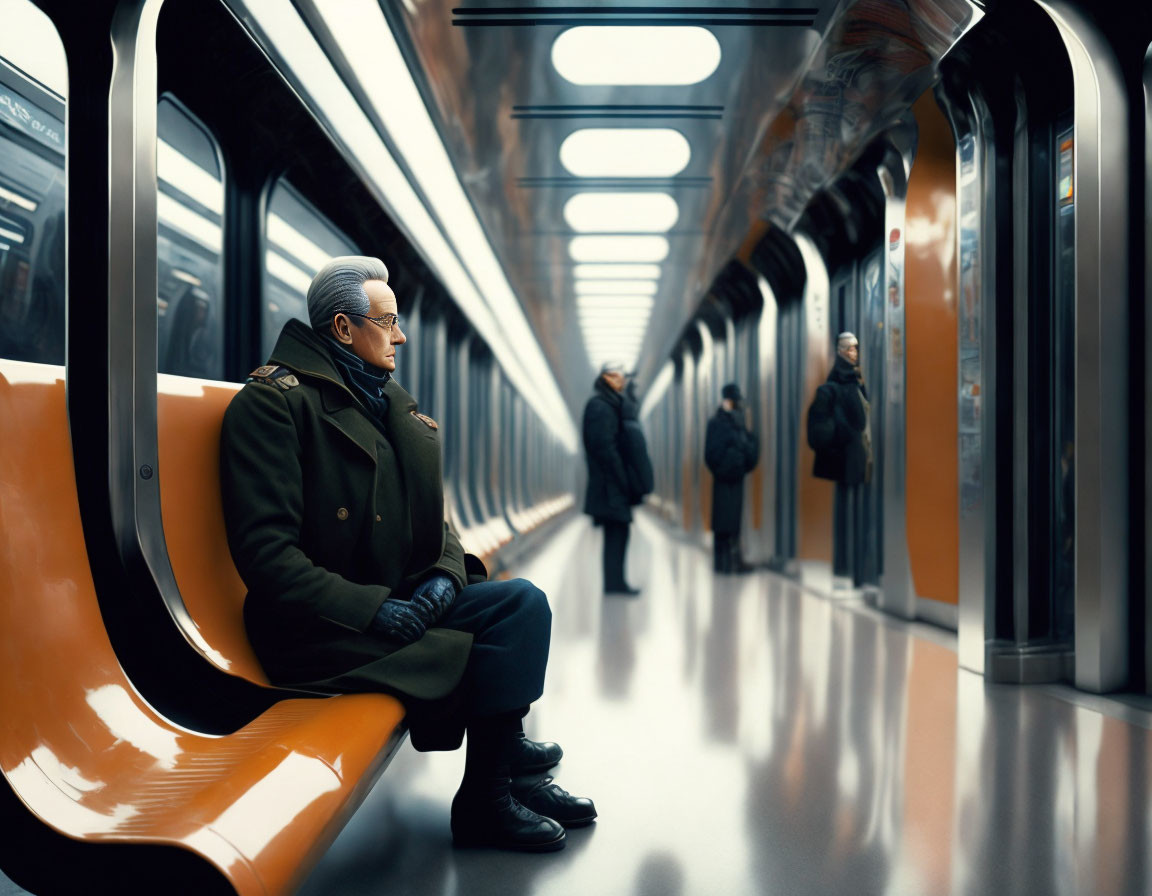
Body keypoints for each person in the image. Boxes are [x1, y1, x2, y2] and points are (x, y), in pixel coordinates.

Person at [219, 256, 594, 853]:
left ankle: (505, 771)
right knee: (468, 646)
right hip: (318, 628)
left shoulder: (387, 402)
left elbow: (436, 520)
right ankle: (487, 799)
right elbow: (267, 558)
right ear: (344, 329)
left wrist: (445, 577)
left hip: (398, 597)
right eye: (386, 320)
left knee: (521, 605)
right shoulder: (272, 407)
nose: (400, 335)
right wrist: (374, 610)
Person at [809, 331, 872, 584]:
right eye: (849, 349)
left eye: (856, 349)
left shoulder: (859, 384)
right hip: (848, 459)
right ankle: (848, 571)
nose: (853, 353)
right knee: (849, 512)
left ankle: (854, 571)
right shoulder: (834, 389)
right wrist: (844, 436)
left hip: (860, 459)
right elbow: (823, 429)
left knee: (856, 513)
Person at [582, 361, 638, 595]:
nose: (622, 380)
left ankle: (616, 582)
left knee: (619, 533)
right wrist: (624, 477)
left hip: (611, 485)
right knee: (617, 534)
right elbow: (605, 447)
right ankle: (615, 584)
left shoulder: (607, 405)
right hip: (609, 486)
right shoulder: (600, 407)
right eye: (616, 376)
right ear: (605, 378)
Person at [704, 382, 759, 573]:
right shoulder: (718, 423)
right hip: (724, 478)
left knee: (732, 520)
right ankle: (723, 562)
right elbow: (710, 454)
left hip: (735, 477)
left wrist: (741, 464)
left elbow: (750, 448)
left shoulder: (739, 423)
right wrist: (727, 466)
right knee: (723, 522)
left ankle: (732, 561)